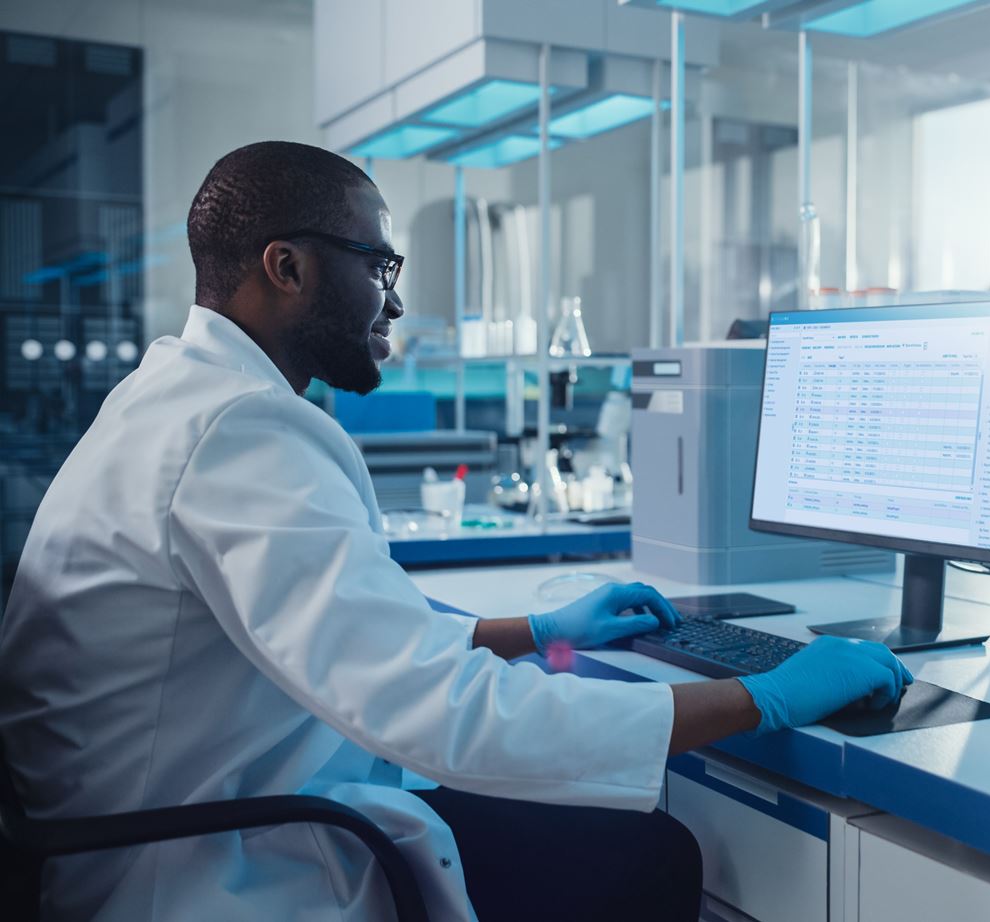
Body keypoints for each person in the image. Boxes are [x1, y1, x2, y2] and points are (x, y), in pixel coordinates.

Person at [0, 141, 912, 921]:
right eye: (379, 266)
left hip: (165, 818)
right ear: (288, 267)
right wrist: (766, 700)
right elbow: (443, 716)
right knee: (652, 855)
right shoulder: (237, 428)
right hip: (206, 866)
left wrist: (537, 635)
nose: (392, 303)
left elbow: (349, 636)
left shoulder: (176, 394)